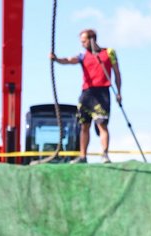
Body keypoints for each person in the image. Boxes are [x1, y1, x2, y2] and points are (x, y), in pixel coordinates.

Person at [50, 28, 121, 164]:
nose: (82, 44)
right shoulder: (83, 56)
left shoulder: (109, 53)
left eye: (84, 41)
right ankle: (83, 156)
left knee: (102, 125)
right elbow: (70, 60)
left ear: (91, 39)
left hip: (102, 93)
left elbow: (117, 73)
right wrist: (57, 59)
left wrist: (119, 92)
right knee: (84, 125)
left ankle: (104, 154)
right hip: (87, 94)